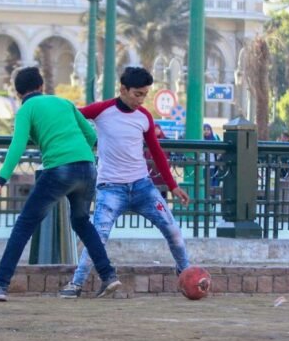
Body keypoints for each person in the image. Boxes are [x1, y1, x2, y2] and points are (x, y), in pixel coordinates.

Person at [0, 66, 118, 301]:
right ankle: (109, 275)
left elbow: (17, 146)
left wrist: (0, 180)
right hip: (87, 167)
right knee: (82, 222)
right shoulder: (64, 103)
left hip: (59, 170)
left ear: (18, 93)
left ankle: (0, 285)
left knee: (24, 225)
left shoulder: (26, 110)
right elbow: (92, 137)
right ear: (42, 86)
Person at [63, 66, 192, 298]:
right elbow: (73, 116)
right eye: (137, 94)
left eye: (145, 95)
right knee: (97, 238)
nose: (141, 100)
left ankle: (187, 275)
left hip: (143, 187)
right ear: (123, 89)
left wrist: (173, 185)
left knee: (173, 231)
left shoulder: (145, 117)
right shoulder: (102, 110)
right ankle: (76, 283)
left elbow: (157, 151)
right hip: (110, 189)